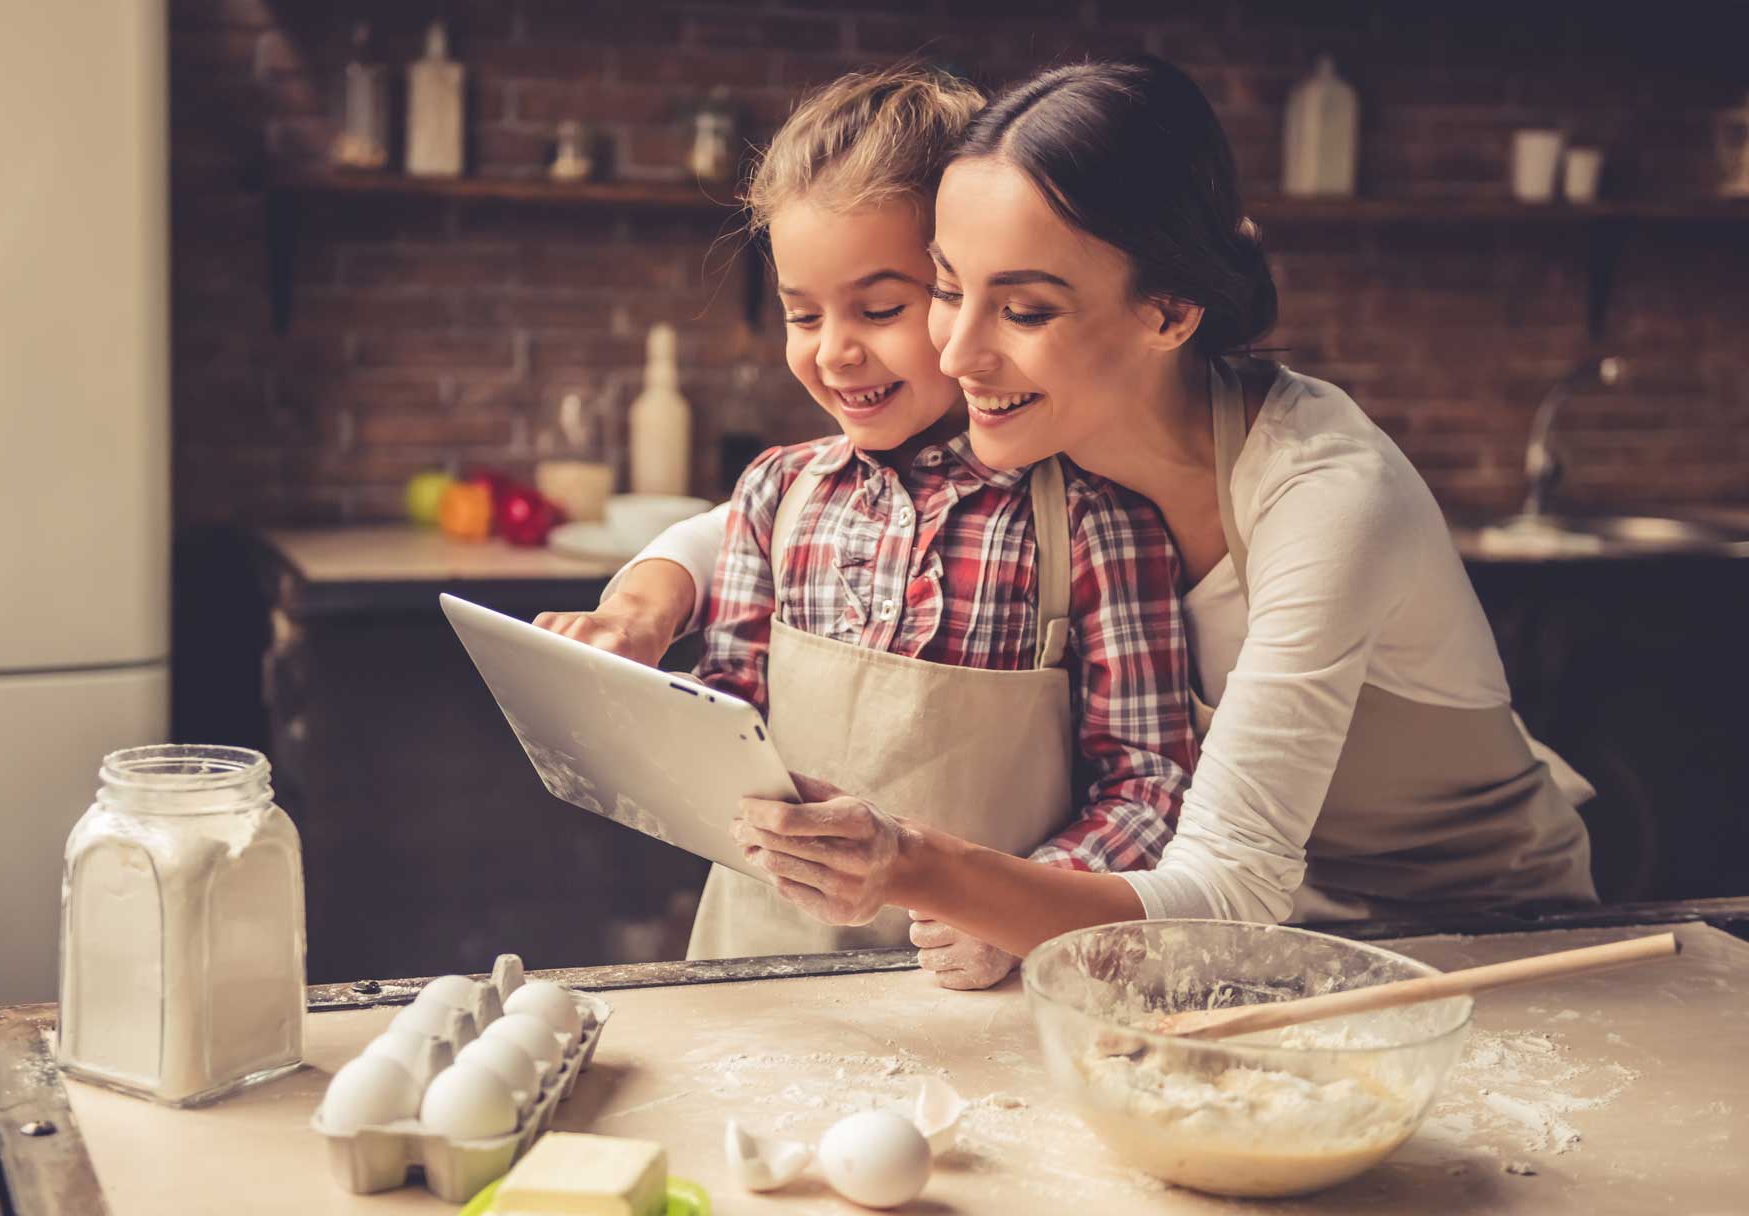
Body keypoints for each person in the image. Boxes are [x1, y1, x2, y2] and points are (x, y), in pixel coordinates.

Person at [552, 55, 1596, 978]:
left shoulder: (1324, 496)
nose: (954, 353)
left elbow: (1225, 875)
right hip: (1205, 924)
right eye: (944, 290)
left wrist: (935, 875)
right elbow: (767, 509)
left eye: (1024, 309)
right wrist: (647, 604)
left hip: (1469, 927)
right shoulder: (1036, 427)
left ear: (1169, 312)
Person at [540, 65, 1197, 983]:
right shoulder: (777, 494)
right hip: (762, 972)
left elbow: (1150, 786)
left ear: (959, 283)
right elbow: (730, 723)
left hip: (977, 998)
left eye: (881, 308)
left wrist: (1026, 908)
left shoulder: (1092, 521)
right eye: (801, 314)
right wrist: (627, 704)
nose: (834, 349)